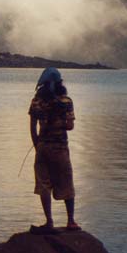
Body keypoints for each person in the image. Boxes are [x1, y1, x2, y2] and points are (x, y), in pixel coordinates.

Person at [28, 67, 79, 231]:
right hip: (60, 148)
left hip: (43, 147)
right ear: (60, 83)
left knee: (44, 185)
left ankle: (49, 222)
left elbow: (32, 127)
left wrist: (37, 145)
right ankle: (70, 221)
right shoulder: (66, 101)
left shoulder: (36, 101)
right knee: (67, 183)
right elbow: (70, 126)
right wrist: (61, 123)